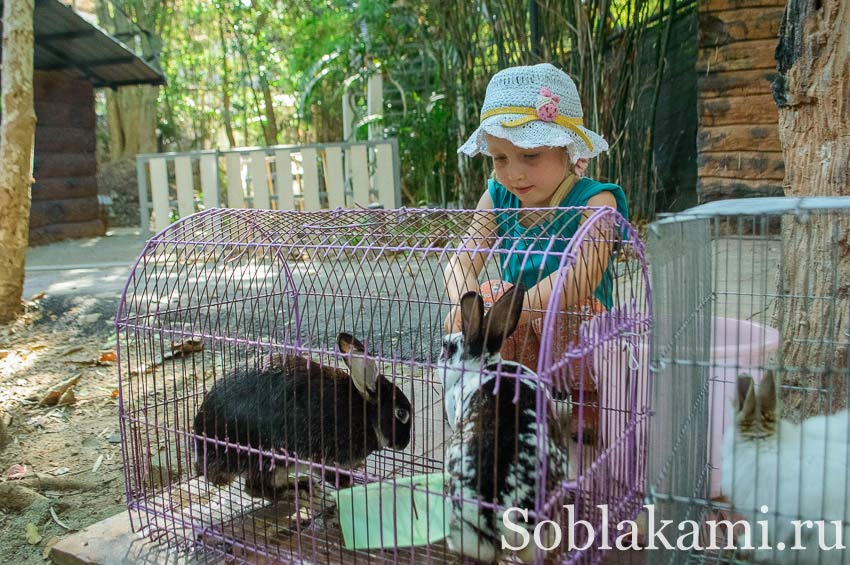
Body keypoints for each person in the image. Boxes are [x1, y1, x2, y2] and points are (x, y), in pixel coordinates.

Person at [443, 63, 629, 443]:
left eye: (530, 156)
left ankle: (586, 400)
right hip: (517, 331)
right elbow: (462, 259)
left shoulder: (596, 200)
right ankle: (502, 397)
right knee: (485, 298)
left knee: (563, 310)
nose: (515, 174)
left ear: (566, 148)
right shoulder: (497, 196)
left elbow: (581, 275)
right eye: (500, 158)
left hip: (574, 327)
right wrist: (469, 306)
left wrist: (512, 310)